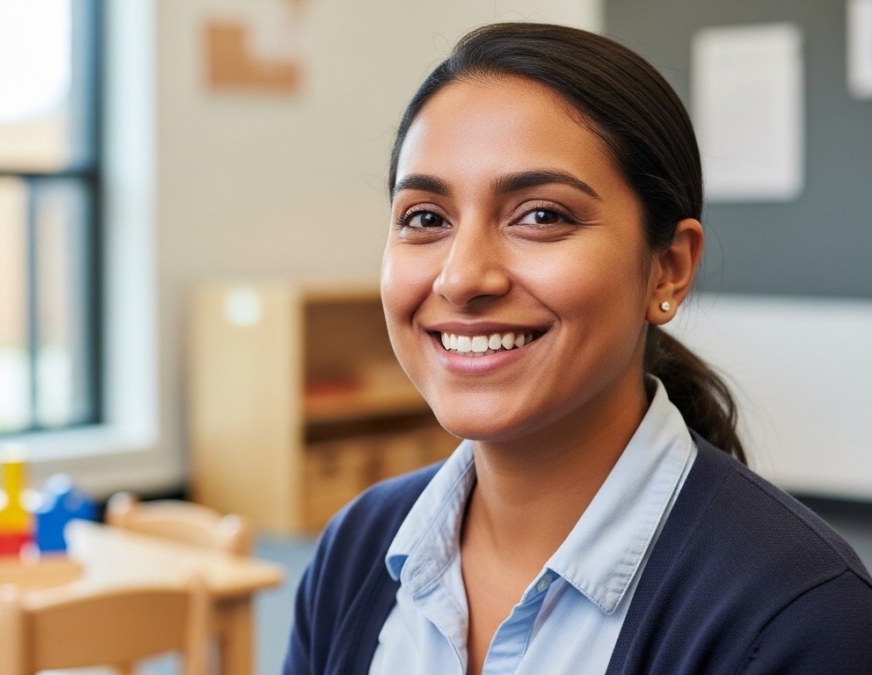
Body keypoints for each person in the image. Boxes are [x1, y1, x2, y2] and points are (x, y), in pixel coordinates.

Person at [282, 22, 872, 675]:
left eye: (541, 215)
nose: (462, 277)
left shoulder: (799, 618)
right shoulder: (357, 550)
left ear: (668, 269)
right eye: (426, 218)